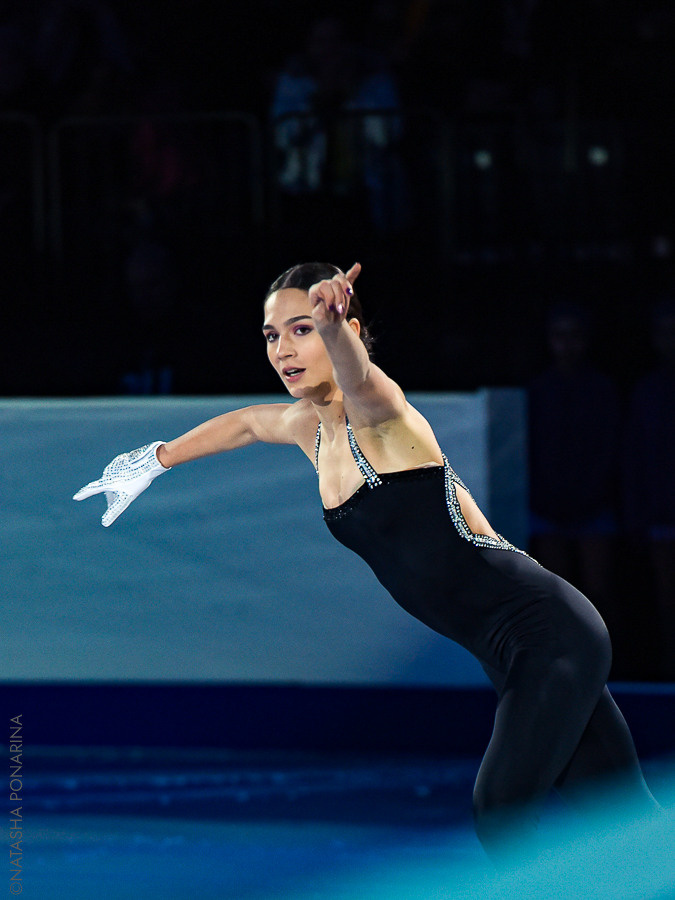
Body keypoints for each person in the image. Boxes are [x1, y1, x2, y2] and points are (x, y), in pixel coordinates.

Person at [73, 261, 660, 864]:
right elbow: (247, 424)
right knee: (629, 820)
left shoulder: (381, 417)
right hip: (514, 654)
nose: (283, 350)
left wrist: (333, 331)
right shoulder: (310, 429)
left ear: (346, 326)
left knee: (501, 812)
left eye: (303, 329)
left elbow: (358, 377)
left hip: (549, 633)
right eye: (273, 335)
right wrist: (153, 459)